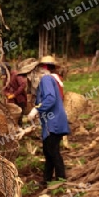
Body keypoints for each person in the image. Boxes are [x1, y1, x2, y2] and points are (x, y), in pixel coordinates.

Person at [27, 56, 70, 186]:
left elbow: (50, 99)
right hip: (54, 121)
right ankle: (47, 180)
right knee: (49, 150)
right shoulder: (54, 79)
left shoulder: (46, 79)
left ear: (43, 68)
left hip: (53, 122)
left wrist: (36, 110)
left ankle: (61, 180)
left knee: (52, 151)